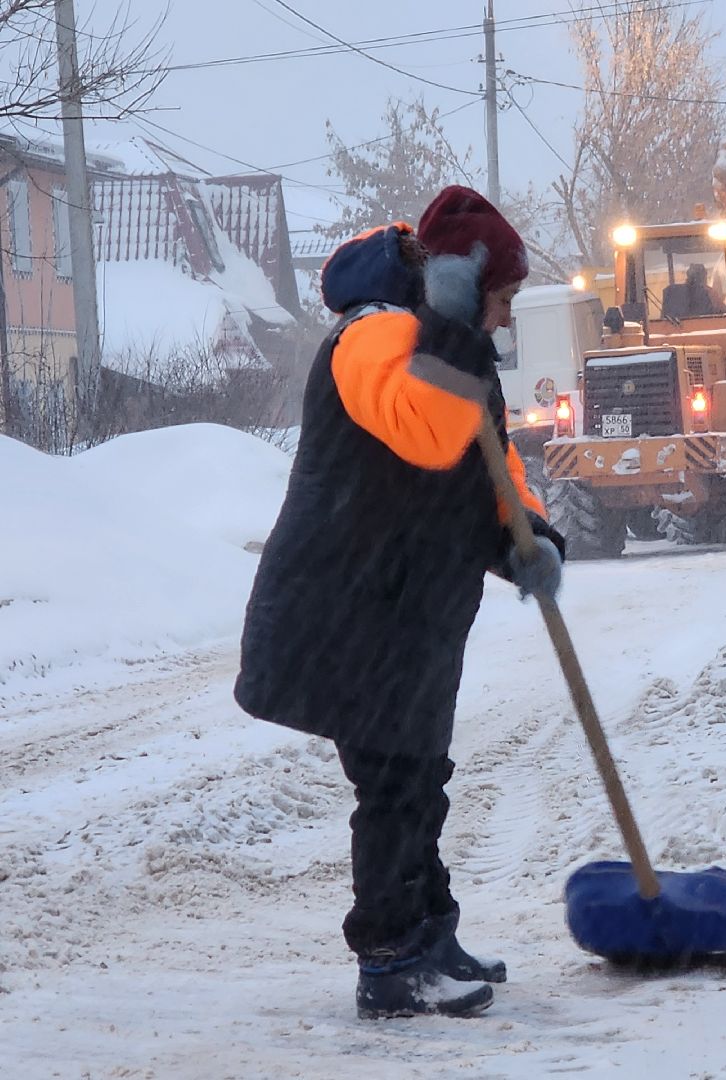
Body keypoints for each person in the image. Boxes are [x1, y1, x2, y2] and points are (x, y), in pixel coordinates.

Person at [234, 186, 566, 1021]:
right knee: (395, 786)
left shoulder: (443, 346)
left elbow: (482, 462)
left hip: (404, 611)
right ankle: (389, 962)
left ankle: (428, 934)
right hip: (351, 612)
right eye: (500, 299)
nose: (502, 319)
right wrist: (451, 328)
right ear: (464, 283)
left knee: (421, 778)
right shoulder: (375, 336)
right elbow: (425, 428)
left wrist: (528, 537)